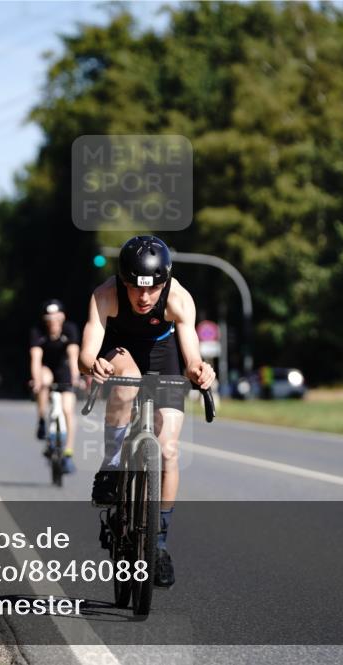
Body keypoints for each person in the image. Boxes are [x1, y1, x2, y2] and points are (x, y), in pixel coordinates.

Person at [78, 235, 216, 588]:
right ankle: (110, 468)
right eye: (135, 288)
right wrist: (93, 365)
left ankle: (158, 544)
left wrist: (200, 370)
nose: (143, 298)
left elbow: (192, 357)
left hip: (162, 352)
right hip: (119, 351)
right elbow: (86, 353)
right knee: (127, 379)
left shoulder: (179, 299)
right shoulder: (104, 296)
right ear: (123, 282)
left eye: (153, 289)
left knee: (168, 448)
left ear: (164, 282)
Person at [29, 299, 80, 472]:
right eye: (49, 320)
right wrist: (36, 380)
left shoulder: (70, 329)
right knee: (43, 381)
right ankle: (42, 419)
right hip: (46, 369)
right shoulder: (37, 331)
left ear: (63, 318)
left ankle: (68, 452)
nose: (53, 324)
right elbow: (36, 359)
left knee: (68, 410)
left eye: (57, 319)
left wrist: (75, 376)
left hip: (64, 369)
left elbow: (73, 356)